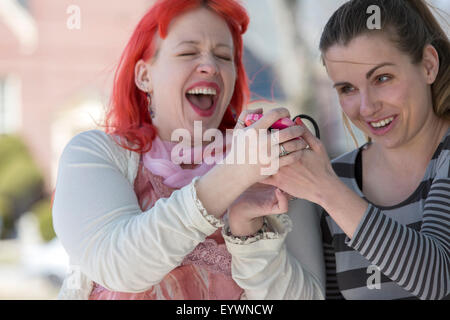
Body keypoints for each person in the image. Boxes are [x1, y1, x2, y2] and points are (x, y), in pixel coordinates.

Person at [52, 0, 324, 300]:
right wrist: (234, 175)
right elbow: (119, 266)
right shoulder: (94, 154)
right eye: (187, 52)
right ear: (144, 76)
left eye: (224, 56)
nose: (210, 66)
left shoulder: (272, 167)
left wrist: (249, 234)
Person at [229, 0, 449, 300]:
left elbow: (437, 278)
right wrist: (248, 222)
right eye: (347, 89)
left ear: (428, 65)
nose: (367, 107)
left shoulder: (331, 187)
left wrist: (324, 189)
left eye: (382, 78)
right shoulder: (339, 177)